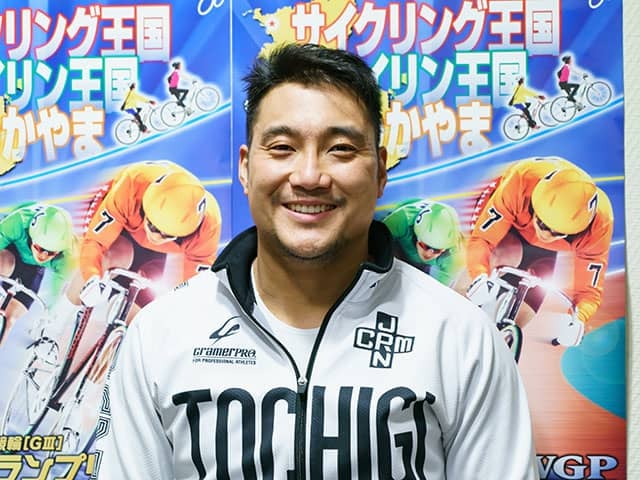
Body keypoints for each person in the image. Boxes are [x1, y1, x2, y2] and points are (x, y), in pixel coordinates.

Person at [95, 43, 538, 479]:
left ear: (381, 171)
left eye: (340, 148)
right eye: (282, 147)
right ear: (245, 169)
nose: (309, 176)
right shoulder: (160, 336)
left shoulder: (460, 338)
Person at [464, 156, 613, 346]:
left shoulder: (600, 225)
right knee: (495, 260)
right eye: (542, 224)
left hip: (545, 250)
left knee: (527, 307)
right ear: (534, 205)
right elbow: (482, 240)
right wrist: (478, 275)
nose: (546, 235)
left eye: (558, 233)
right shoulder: (520, 182)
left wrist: (578, 319)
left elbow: (588, 292)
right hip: (508, 217)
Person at [62, 160, 222, 316]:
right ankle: (61, 315)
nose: (156, 237)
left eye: (167, 235)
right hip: (119, 219)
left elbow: (195, 288)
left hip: (156, 251)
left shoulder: (208, 226)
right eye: (153, 226)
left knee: (142, 311)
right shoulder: (131, 186)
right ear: (145, 208)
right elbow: (95, 242)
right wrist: (92, 276)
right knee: (107, 260)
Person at [0, 202, 76, 346]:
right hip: (11, 250)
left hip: (33, 270)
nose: (43, 256)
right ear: (31, 236)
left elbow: (56, 293)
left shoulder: (68, 256)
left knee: (10, 319)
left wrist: (49, 316)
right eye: (39, 248)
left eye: (51, 253)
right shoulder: (18, 222)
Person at [382, 198, 465, 286]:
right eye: (425, 246)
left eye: (437, 250)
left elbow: (437, 289)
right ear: (417, 235)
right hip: (398, 241)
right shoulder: (401, 220)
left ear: (445, 249)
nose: (429, 254)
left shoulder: (455, 256)